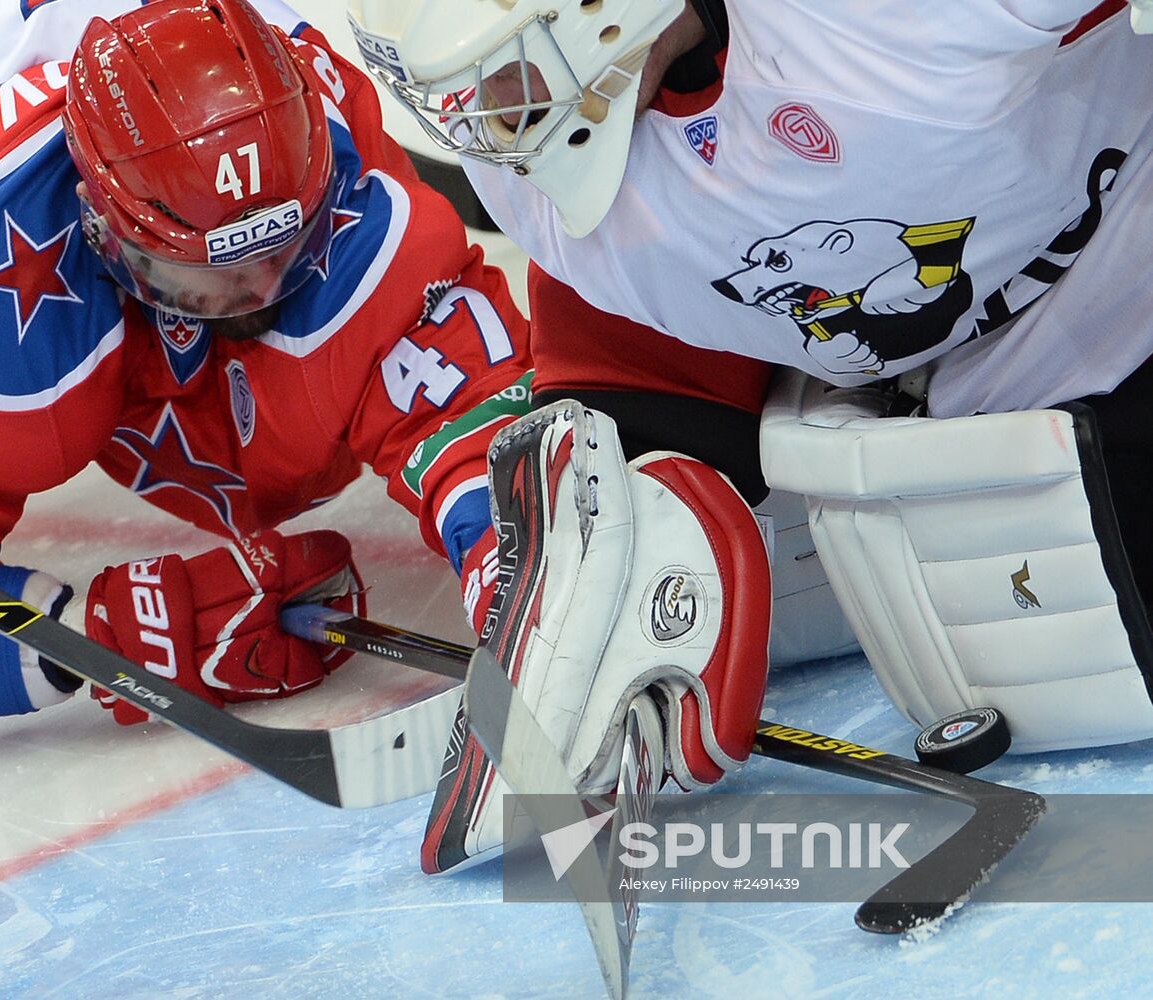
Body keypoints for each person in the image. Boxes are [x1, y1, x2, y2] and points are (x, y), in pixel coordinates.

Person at [350, 0, 1153, 859]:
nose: (486, 117)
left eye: (503, 65)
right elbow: (641, 342)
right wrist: (629, 525)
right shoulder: (539, 173)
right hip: (915, 404)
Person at [0, 0, 533, 733]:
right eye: (202, 274)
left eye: (285, 245)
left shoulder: (331, 143)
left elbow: (468, 407)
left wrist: (527, 564)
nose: (260, 289)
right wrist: (96, 639)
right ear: (99, 227)